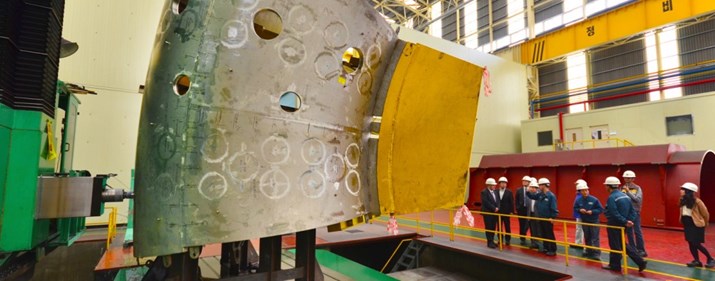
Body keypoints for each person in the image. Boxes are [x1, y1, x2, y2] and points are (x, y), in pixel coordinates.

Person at [602, 176, 647, 273]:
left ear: (609, 186)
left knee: (615, 245)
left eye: (606, 186)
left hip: (614, 224)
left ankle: (615, 265)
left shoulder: (612, 197)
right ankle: (640, 261)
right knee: (623, 244)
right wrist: (629, 221)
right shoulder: (625, 196)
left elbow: (614, 213)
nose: (605, 188)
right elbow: (633, 211)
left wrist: (625, 221)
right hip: (624, 225)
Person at [678, 182, 714, 268]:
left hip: (696, 224)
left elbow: (705, 214)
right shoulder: (682, 200)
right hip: (687, 224)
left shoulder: (697, 202)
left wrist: (704, 223)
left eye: (683, 189)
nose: (681, 191)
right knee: (690, 243)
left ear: (688, 191)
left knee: (696, 243)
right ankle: (697, 261)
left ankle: (710, 259)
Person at [527, 178, 558, 256]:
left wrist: (552, 217)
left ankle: (552, 249)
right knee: (544, 234)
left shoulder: (551, 196)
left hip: (548, 218)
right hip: (541, 218)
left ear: (544, 185)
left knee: (549, 234)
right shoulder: (540, 195)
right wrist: (528, 191)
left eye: (540, 185)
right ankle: (546, 247)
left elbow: (554, 208)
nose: (539, 186)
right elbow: (532, 196)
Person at [573, 182, 603, 260]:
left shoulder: (594, 199)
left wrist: (592, 212)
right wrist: (580, 210)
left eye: (586, 190)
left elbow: (600, 209)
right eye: (583, 191)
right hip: (585, 221)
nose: (585, 192)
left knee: (595, 237)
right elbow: (575, 208)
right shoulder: (578, 200)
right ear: (580, 192)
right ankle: (589, 251)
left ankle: (596, 253)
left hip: (594, 221)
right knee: (587, 236)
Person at [622, 170, 647, 257]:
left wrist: (628, 192)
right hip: (626, 212)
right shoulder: (622, 188)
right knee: (629, 231)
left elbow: (638, 199)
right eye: (625, 178)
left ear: (633, 178)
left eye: (629, 178)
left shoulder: (637, 188)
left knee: (637, 231)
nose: (627, 179)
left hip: (635, 212)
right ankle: (632, 249)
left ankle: (641, 250)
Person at [479, 178, 499, 249]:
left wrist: (497, 207)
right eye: (493, 185)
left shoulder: (496, 192)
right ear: (489, 185)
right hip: (488, 213)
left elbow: (497, 200)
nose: (494, 186)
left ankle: (492, 241)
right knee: (489, 227)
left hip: (494, 213)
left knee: (493, 227)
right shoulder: (484, 192)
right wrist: (494, 208)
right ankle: (489, 242)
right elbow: (486, 202)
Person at [515, 175, 533, 246]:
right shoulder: (519, 190)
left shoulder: (532, 189)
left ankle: (533, 239)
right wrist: (517, 208)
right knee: (522, 224)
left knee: (530, 224)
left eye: (526, 181)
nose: (524, 182)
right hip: (521, 210)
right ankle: (522, 238)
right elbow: (516, 199)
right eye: (523, 181)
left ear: (529, 182)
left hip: (529, 210)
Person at [497, 177, 514, 245]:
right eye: (502, 183)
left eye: (505, 183)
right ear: (499, 184)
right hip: (498, 212)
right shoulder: (496, 191)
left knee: (507, 226)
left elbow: (511, 202)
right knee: (499, 227)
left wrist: (511, 211)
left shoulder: (509, 192)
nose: (503, 184)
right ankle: (500, 239)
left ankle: (508, 240)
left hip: (506, 212)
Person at [526, 178, 541, 250]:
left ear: (536, 188)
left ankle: (539, 244)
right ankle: (533, 243)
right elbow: (528, 206)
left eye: (533, 187)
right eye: (531, 187)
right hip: (531, 214)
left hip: (538, 215)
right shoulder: (529, 196)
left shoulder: (539, 195)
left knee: (538, 230)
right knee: (532, 229)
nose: (531, 189)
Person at [573, 179, 586, 250]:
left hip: (581, 215)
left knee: (580, 229)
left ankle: (579, 243)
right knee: (579, 229)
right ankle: (578, 242)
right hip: (579, 214)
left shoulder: (581, 196)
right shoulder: (579, 195)